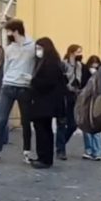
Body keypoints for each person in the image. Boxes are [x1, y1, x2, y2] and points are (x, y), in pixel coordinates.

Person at [0, 19, 36, 163]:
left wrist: (31, 78)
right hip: (8, 85)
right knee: (2, 120)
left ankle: (27, 152)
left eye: (9, 31)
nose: (8, 34)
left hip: (24, 86)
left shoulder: (32, 46)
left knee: (25, 121)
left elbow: (37, 65)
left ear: (16, 31)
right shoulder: (9, 48)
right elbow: (5, 68)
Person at [29, 38, 68, 169]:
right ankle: (43, 157)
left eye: (39, 48)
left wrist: (32, 81)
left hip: (46, 103)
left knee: (43, 130)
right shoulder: (47, 62)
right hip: (44, 102)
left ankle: (45, 159)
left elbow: (48, 83)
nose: (37, 51)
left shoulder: (50, 64)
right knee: (43, 130)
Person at [56, 44, 85, 160]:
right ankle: (60, 150)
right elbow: (62, 79)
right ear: (71, 52)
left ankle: (61, 143)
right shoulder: (64, 64)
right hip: (64, 95)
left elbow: (80, 79)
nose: (80, 54)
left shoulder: (79, 66)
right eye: (78, 52)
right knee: (62, 122)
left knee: (73, 124)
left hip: (75, 95)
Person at [81, 55, 101, 160]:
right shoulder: (85, 72)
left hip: (97, 102)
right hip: (87, 102)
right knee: (87, 127)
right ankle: (89, 150)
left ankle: (97, 151)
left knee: (96, 127)